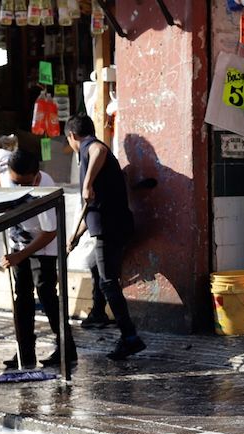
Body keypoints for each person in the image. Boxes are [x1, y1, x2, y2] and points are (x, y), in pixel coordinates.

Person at [65, 115, 146, 360]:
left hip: (111, 228)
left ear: (72, 136)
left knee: (108, 281)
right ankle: (99, 313)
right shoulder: (89, 153)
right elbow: (92, 206)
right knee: (93, 266)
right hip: (110, 225)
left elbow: (99, 149)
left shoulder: (91, 146)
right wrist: (77, 235)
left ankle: (129, 337)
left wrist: (87, 182)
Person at [0, 149, 77, 369]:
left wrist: (19, 256)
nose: (20, 189)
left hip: (44, 245)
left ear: (36, 174)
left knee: (46, 294)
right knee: (21, 296)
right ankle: (24, 352)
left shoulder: (44, 191)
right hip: (18, 241)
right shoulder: (4, 165)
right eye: (15, 183)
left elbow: (50, 232)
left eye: (24, 184)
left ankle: (66, 349)